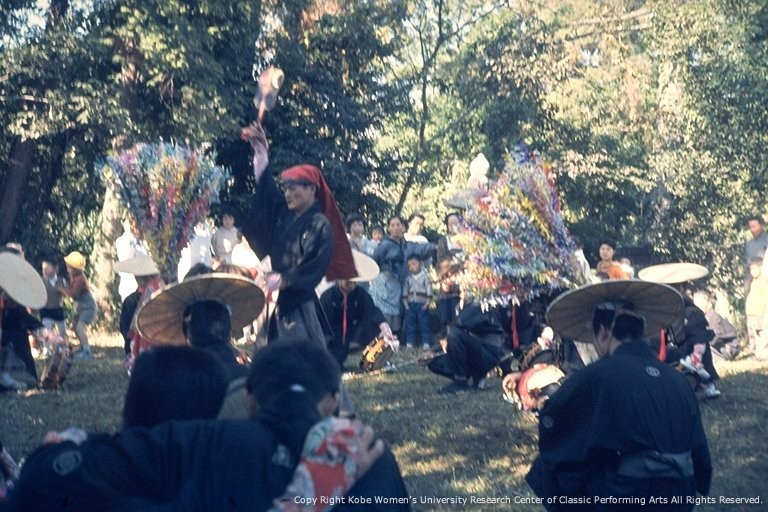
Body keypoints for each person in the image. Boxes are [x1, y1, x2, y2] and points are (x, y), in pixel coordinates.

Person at [4, 340, 390, 512]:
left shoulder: (80, 467)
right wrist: (307, 495)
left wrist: (75, 449)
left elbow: (47, 474)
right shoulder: (214, 470)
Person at [527, 279, 712, 510]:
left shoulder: (596, 376)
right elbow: (701, 459)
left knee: (546, 466)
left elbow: (555, 425)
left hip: (627, 494)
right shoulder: (678, 379)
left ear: (603, 332)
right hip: (681, 494)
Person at [239, 123, 357, 347]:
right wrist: (261, 151)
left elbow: (314, 266)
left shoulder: (319, 224)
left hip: (298, 303)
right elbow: (267, 191)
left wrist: (284, 279)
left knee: (299, 357)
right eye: (286, 188)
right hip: (275, 299)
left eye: (293, 188)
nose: (287, 193)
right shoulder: (286, 214)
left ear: (311, 189)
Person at [638, 262, 721, 398]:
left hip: (684, 356)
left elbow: (699, 338)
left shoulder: (691, 311)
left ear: (683, 288)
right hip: (658, 356)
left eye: (675, 287)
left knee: (702, 343)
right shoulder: (652, 310)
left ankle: (705, 383)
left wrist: (695, 358)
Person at [319, 251, 397, 367]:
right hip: (334, 334)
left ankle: (375, 360)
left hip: (354, 331)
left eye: (353, 281)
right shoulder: (328, 296)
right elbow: (322, 323)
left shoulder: (360, 294)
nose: (351, 284)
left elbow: (372, 311)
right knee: (335, 363)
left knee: (374, 326)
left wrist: (384, 327)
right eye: (348, 281)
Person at [370, 214, 434, 340]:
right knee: (385, 311)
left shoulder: (406, 244)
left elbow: (419, 248)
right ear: (389, 228)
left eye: (398, 225)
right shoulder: (384, 244)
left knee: (399, 309)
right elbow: (374, 260)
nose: (395, 228)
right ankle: (382, 337)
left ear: (403, 227)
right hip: (385, 281)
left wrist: (434, 246)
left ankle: (398, 336)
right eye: (392, 225)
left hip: (399, 282)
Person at [427, 299, 509, 394]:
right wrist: (433, 352)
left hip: (488, 354)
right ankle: (470, 378)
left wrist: (446, 340)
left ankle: (461, 382)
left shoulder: (484, 302)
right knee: (432, 361)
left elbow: (459, 326)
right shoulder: (462, 305)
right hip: (473, 351)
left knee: (454, 333)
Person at [0, 252, 47, 389]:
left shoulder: (15, 307)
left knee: (15, 337)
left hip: (6, 336)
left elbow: (24, 319)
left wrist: (44, 331)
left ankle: (5, 375)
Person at [114, 254, 161, 368]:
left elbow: (125, 328)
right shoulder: (161, 296)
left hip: (136, 347)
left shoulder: (130, 300)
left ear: (137, 278)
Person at [59, 251, 97, 361]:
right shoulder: (75, 277)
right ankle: (82, 346)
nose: (67, 269)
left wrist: (62, 290)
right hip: (81, 308)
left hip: (88, 307)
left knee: (80, 328)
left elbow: (74, 294)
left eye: (69, 267)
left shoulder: (80, 279)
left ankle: (87, 351)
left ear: (75, 269)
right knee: (75, 326)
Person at [38, 255, 69, 354]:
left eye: (47, 268)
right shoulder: (40, 281)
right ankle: (47, 348)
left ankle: (61, 347)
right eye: (43, 269)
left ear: (56, 268)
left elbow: (68, 294)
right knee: (46, 329)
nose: (44, 271)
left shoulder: (62, 280)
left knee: (62, 330)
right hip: (45, 309)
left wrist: (62, 290)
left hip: (58, 309)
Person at [402, 254, 432, 349]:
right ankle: (410, 342)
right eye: (409, 265)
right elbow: (405, 291)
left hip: (422, 304)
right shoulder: (408, 278)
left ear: (421, 264)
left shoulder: (425, 277)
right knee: (410, 323)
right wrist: (406, 304)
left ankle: (426, 342)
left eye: (414, 264)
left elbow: (429, 291)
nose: (411, 267)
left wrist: (427, 303)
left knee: (424, 323)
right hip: (410, 304)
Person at [745, 257, 768, 355]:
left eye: (754, 268)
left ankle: (762, 351)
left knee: (761, 331)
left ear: (760, 267)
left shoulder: (764, 280)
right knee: (753, 332)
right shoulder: (752, 281)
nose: (752, 271)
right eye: (751, 269)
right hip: (751, 311)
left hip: (760, 311)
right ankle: (755, 350)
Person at [744, 214, 768, 297]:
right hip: (752, 275)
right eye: (750, 227)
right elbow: (747, 261)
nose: (752, 229)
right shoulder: (749, 244)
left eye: (754, 226)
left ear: (761, 225)